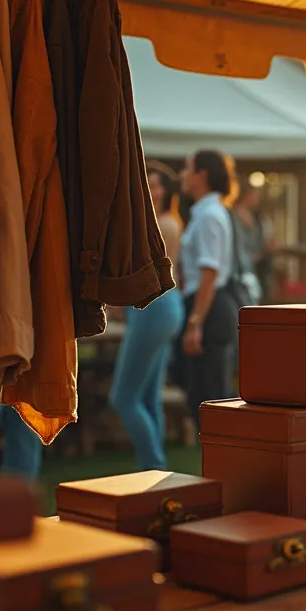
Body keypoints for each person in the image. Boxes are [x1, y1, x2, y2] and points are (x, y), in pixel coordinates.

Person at [107, 162, 187, 471]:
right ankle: (152, 471)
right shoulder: (166, 222)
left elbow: (136, 266)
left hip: (154, 310)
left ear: (168, 192)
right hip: (163, 309)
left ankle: (154, 464)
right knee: (148, 395)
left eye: (156, 186)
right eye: (146, 185)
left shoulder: (161, 224)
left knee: (123, 397)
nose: (150, 192)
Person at [178, 150, 240, 431]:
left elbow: (210, 273)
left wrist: (195, 323)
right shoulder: (206, 212)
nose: (182, 174)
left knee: (211, 397)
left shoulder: (209, 215)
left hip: (209, 307)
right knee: (203, 395)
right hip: (208, 305)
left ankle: (227, 466)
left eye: (187, 168)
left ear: (201, 174)